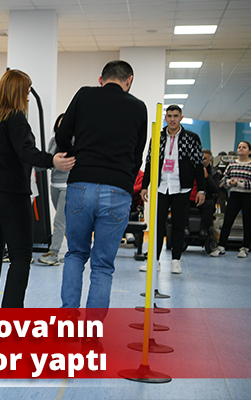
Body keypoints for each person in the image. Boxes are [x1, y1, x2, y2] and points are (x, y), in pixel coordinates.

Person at [0, 69, 73, 308]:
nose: (27, 97)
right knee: (20, 257)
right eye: (26, 91)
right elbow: (25, 151)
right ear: (17, 91)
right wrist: (52, 160)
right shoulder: (14, 116)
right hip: (9, 195)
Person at [56, 60, 147, 318]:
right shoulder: (138, 107)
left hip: (81, 184)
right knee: (103, 265)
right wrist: (125, 178)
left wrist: (74, 156)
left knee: (75, 254)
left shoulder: (84, 95)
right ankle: (92, 328)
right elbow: (138, 154)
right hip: (117, 189)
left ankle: (68, 319)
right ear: (129, 80)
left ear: (101, 79)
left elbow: (62, 134)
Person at [140, 105, 205, 274]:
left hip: (181, 188)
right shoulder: (158, 137)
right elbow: (149, 162)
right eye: (169, 116)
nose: (172, 119)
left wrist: (201, 189)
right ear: (165, 118)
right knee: (157, 225)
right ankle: (154, 260)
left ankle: (176, 260)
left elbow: (198, 165)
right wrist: (144, 186)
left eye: (175, 116)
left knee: (178, 224)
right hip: (161, 187)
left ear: (181, 118)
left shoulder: (192, 138)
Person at [210, 141, 251, 258]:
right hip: (234, 196)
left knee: (247, 222)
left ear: (249, 151)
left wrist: (239, 184)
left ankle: (245, 247)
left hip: (248, 196)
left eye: (244, 147)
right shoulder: (232, 164)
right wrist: (229, 183)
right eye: (239, 147)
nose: (241, 149)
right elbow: (224, 180)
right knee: (227, 221)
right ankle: (221, 246)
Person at [38, 113, 68, 266]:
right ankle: (75, 251)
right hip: (54, 184)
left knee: (59, 220)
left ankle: (53, 252)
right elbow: (48, 160)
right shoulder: (53, 141)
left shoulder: (75, 141)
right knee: (66, 221)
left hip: (68, 186)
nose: (62, 126)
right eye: (60, 123)